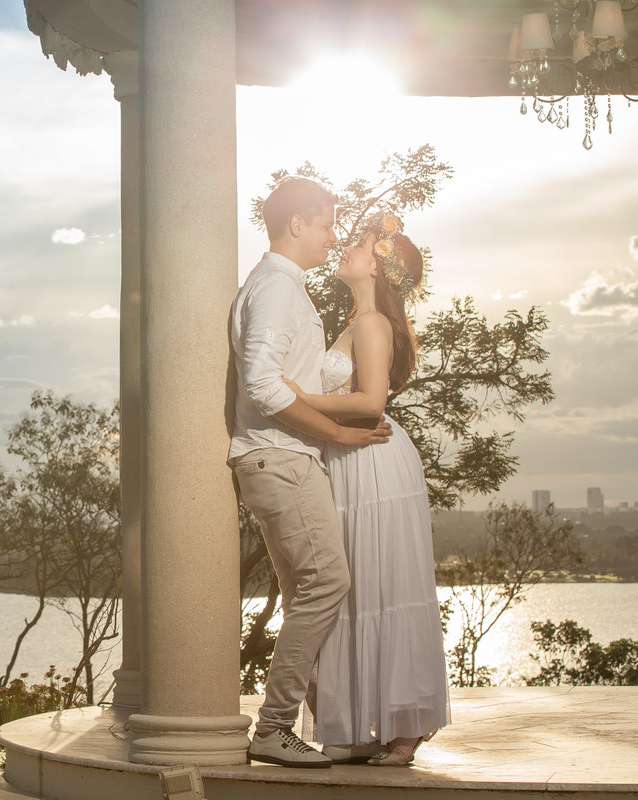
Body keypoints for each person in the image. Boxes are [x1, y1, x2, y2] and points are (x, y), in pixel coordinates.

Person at [229, 177, 392, 769]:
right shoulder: (276, 287)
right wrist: (338, 433)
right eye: (326, 224)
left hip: (284, 457)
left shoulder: (285, 287)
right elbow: (262, 384)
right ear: (297, 224)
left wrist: (349, 345)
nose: (331, 236)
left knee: (308, 594)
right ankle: (274, 727)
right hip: (281, 457)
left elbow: (298, 380)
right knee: (327, 585)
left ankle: (332, 729)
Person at [288, 211, 450, 767]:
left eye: (360, 243)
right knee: (357, 590)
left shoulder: (373, 322)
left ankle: (403, 729)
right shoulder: (360, 320)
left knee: (382, 587)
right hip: (352, 457)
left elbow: (370, 402)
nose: (348, 246)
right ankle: (367, 723)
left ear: (379, 267)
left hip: (372, 460)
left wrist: (291, 396)